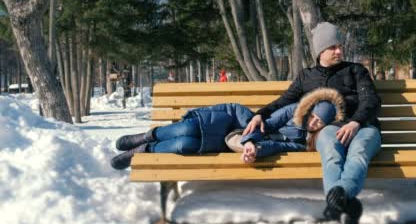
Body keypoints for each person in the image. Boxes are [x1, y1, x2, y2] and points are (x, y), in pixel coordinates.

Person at [243, 22, 381, 224]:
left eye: (339, 46)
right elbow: (283, 101)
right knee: (331, 155)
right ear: (320, 51)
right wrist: (260, 114)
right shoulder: (306, 77)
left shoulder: (356, 70)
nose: (339, 51)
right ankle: (346, 205)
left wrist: (356, 122)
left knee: (359, 153)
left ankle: (338, 198)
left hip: (364, 126)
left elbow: (370, 101)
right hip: (331, 129)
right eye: (333, 47)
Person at [110, 88, 344, 170]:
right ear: (310, 109)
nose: (313, 123)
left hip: (234, 141)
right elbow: (268, 123)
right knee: (187, 129)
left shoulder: (303, 143)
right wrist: (251, 139)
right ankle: (146, 136)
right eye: (313, 117)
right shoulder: (295, 111)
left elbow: (278, 146)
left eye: (319, 123)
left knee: (186, 145)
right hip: (238, 123)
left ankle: (143, 151)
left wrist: (256, 150)